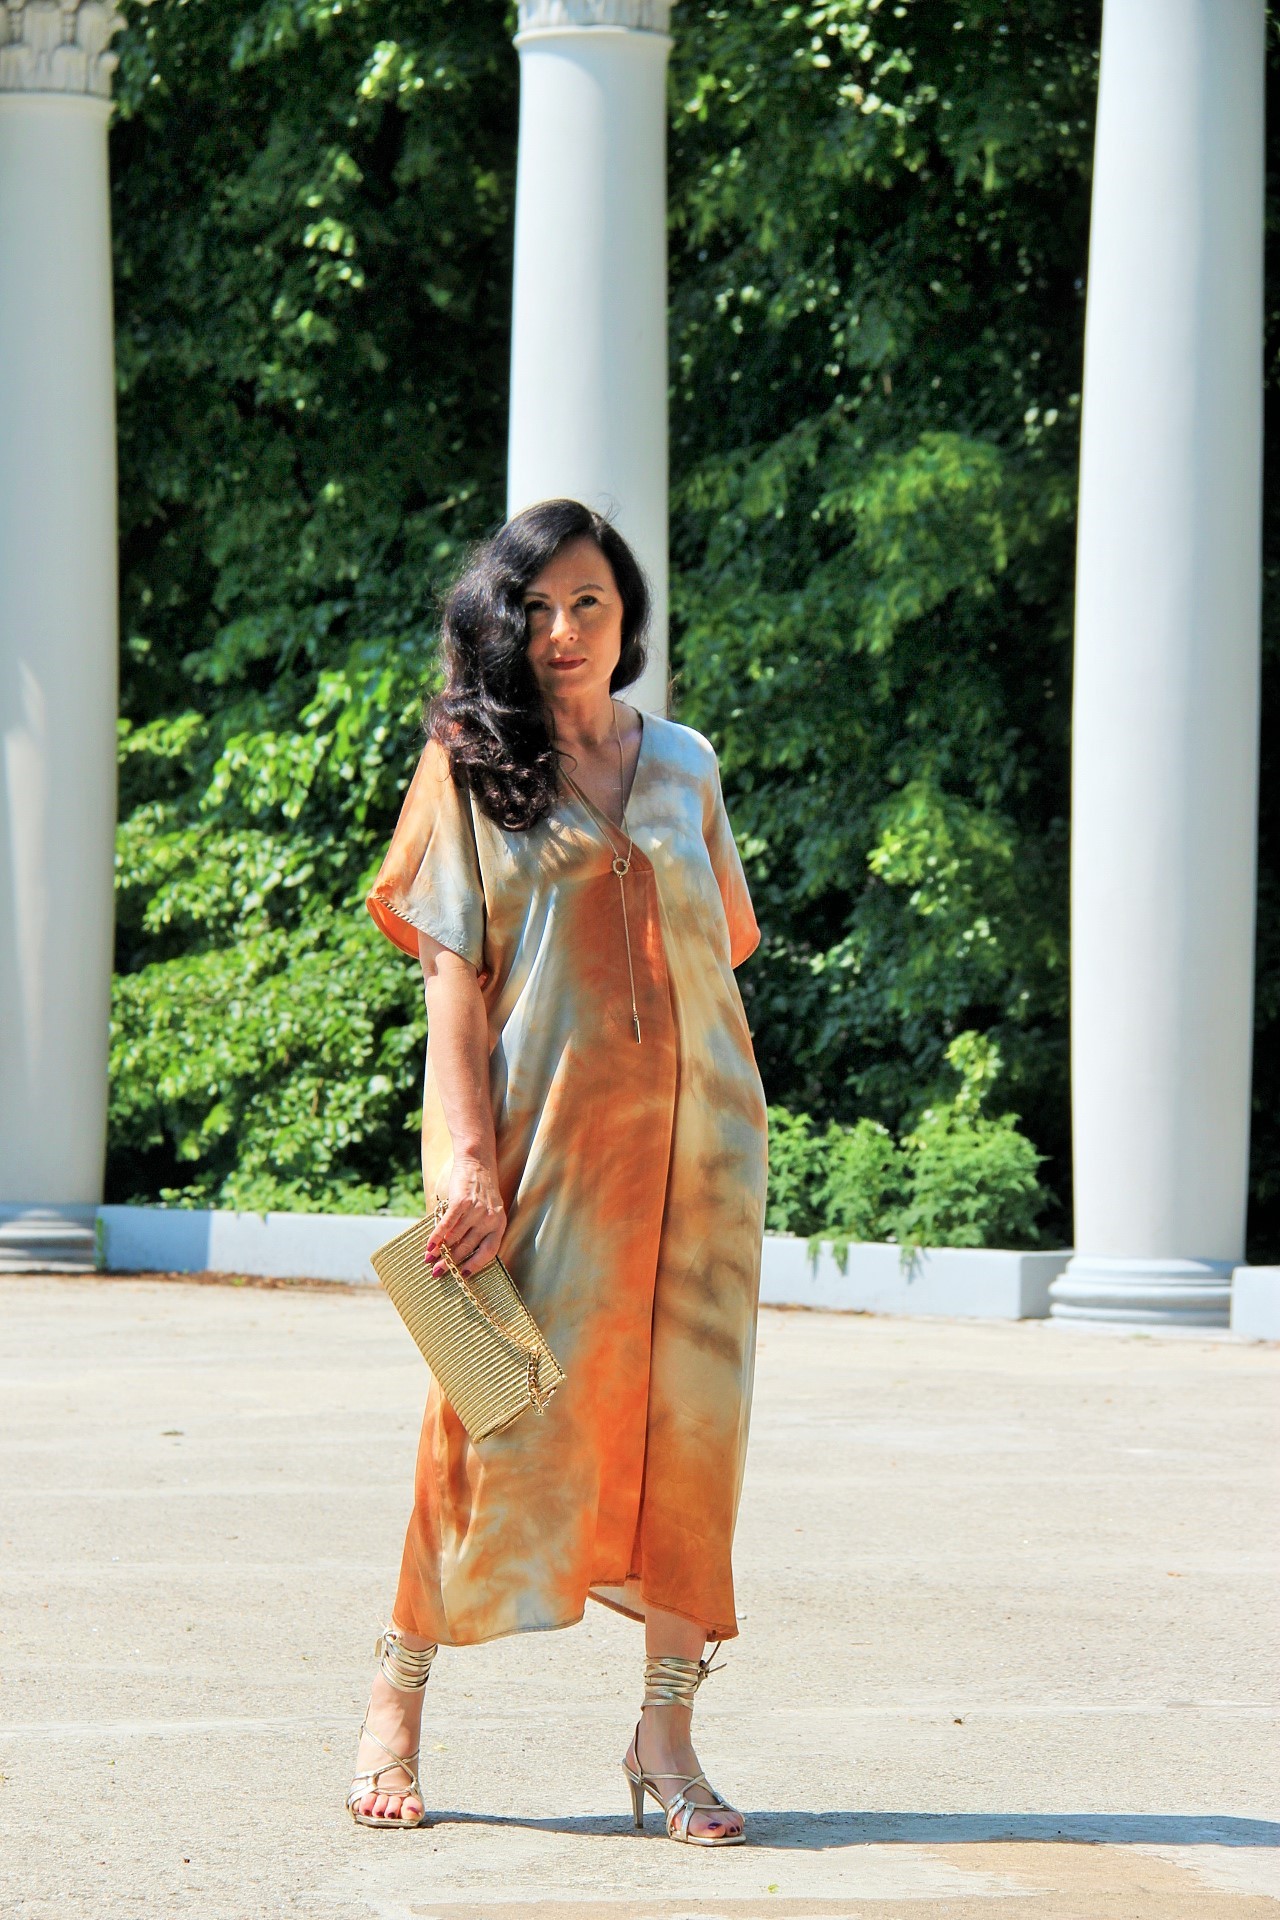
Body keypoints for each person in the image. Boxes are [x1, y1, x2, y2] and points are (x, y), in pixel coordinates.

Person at [348, 499, 769, 1846]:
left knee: (690, 1438)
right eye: (535, 608)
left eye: (590, 603)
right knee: (486, 1421)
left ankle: (666, 1734)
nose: (564, 631)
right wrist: (463, 1158)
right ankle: (396, 1696)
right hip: (543, 1154)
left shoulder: (686, 764)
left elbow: (725, 940)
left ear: (626, 616)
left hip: (704, 1160)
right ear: (503, 622)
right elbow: (451, 984)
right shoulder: (470, 767)